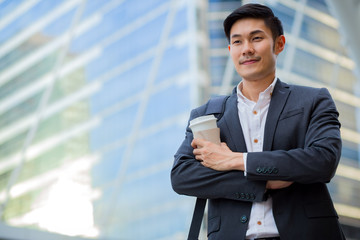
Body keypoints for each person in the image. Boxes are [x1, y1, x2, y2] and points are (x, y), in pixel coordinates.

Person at [171, 3, 345, 240]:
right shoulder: (207, 114)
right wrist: (263, 183)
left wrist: (234, 160)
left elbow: (323, 160)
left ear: (279, 44)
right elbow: (182, 176)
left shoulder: (314, 100)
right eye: (238, 42)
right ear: (230, 49)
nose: (247, 49)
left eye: (256, 38)